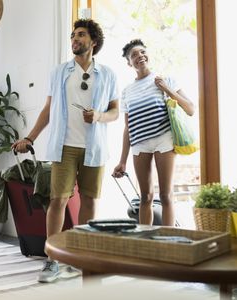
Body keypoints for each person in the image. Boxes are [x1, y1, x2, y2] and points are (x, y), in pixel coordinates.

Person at [12, 19, 119, 283]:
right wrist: (30, 136)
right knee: (57, 200)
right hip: (64, 147)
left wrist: (98, 116)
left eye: (81, 35)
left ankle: (81, 256)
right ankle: (53, 259)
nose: (75, 38)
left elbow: (115, 112)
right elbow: (48, 110)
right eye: (73, 35)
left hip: (94, 148)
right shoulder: (60, 72)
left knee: (90, 200)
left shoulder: (107, 74)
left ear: (93, 42)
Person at [112, 39, 195, 226]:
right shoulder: (127, 92)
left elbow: (190, 109)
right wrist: (122, 161)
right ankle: (145, 241)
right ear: (129, 63)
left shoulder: (166, 79)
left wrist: (166, 88)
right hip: (140, 145)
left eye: (142, 52)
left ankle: (168, 241)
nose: (139, 56)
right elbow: (128, 127)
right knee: (145, 197)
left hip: (164, 140)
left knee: (166, 195)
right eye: (134, 55)